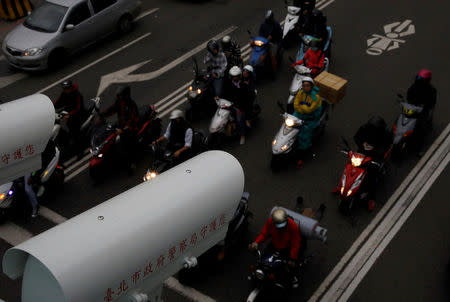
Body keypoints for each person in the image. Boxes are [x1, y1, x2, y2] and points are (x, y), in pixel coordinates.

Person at [249, 208, 301, 287]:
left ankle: (293, 278)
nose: (279, 228)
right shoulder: (270, 222)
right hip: (274, 245)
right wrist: (256, 242)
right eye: (277, 225)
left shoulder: (293, 227)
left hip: (286, 249)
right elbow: (264, 233)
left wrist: (292, 258)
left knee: (289, 268)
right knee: (261, 261)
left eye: (281, 226)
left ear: (286, 221)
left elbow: (295, 244)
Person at [353, 116, 392, 210]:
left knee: (372, 178)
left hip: (375, 157)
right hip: (362, 153)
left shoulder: (386, 134)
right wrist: (362, 144)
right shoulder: (364, 128)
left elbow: (386, 147)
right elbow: (357, 137)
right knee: (351, 165)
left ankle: (371, 199)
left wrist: (375, 149)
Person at [100, 86, 140, 170]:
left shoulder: (131, 105)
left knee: (128, 144)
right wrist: (102, 115)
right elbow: (112, 109)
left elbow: (132, 120)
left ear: (125, 95)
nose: (119, 97)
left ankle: (133, 162)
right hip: (121, 125)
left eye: (121, 96)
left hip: (130, 128)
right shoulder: (119, 102)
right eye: (119, 96)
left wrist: (123, 129)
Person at [292, 77, 322, 166]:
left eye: (307, 85)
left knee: (304, 135)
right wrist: (302, 108)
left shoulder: (316, 97)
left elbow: (309, 110)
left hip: (310, 119)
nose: (305, 87)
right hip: (299, 116)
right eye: (304, 85)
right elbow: (295, 105)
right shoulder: (300, 93)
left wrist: (301, 108)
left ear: (311, 86)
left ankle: (301, 156)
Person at [224, 66, 254, 145]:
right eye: (233, 76)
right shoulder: (229, 84)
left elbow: (247, 98)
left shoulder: (244, 84)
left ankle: (242, 135)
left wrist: (239, 107)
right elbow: (226, 93)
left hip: (241, 106)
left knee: (239, 120)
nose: (234, 78)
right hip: (231, 104)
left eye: (236, 76)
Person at [53, 80, 85, 151]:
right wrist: (50, 106)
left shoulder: (77, 95)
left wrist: (69, 115)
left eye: (67, 88)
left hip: (78, 115)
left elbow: (78, 108)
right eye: (64, 89)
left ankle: (80, 150)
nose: (66, 90)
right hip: (69, 113)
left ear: (71, 87)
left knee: (74, 132)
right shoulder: (64, 94)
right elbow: (58, 102)